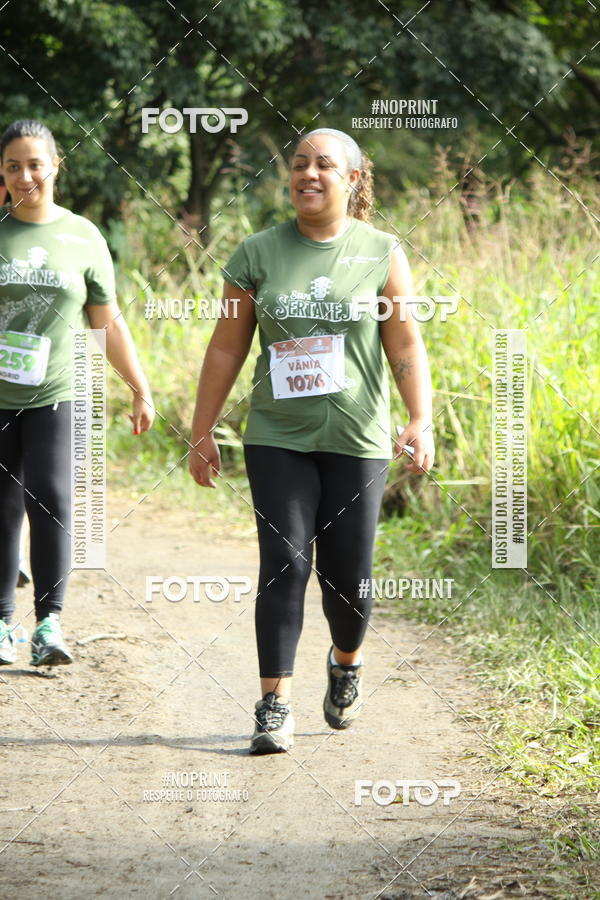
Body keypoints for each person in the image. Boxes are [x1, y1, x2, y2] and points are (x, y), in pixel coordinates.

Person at [189, 127, 434, 754]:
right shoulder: (257, 252)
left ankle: (346, 661)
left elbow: (403, 342)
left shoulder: (381, 250)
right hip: (277, 435)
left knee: (348, 581)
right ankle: (273, 702)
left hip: (357, 437)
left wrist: (418, 417)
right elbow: (226, 346)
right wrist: (202, 429)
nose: (309, 173)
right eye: (299, 163)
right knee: (286, 563)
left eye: (325, 165)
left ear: (353, 181)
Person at [0, 119, 155, 667]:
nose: (26, 176)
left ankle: (48, 622)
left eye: (35, 164)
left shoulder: (83, 235)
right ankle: (2, 624)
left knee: (52, 499)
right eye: (14, 165)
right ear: (1, 170)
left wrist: (140, 387)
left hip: (56, 391)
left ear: (56, 166)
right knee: (1, 507)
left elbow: (107, 322)